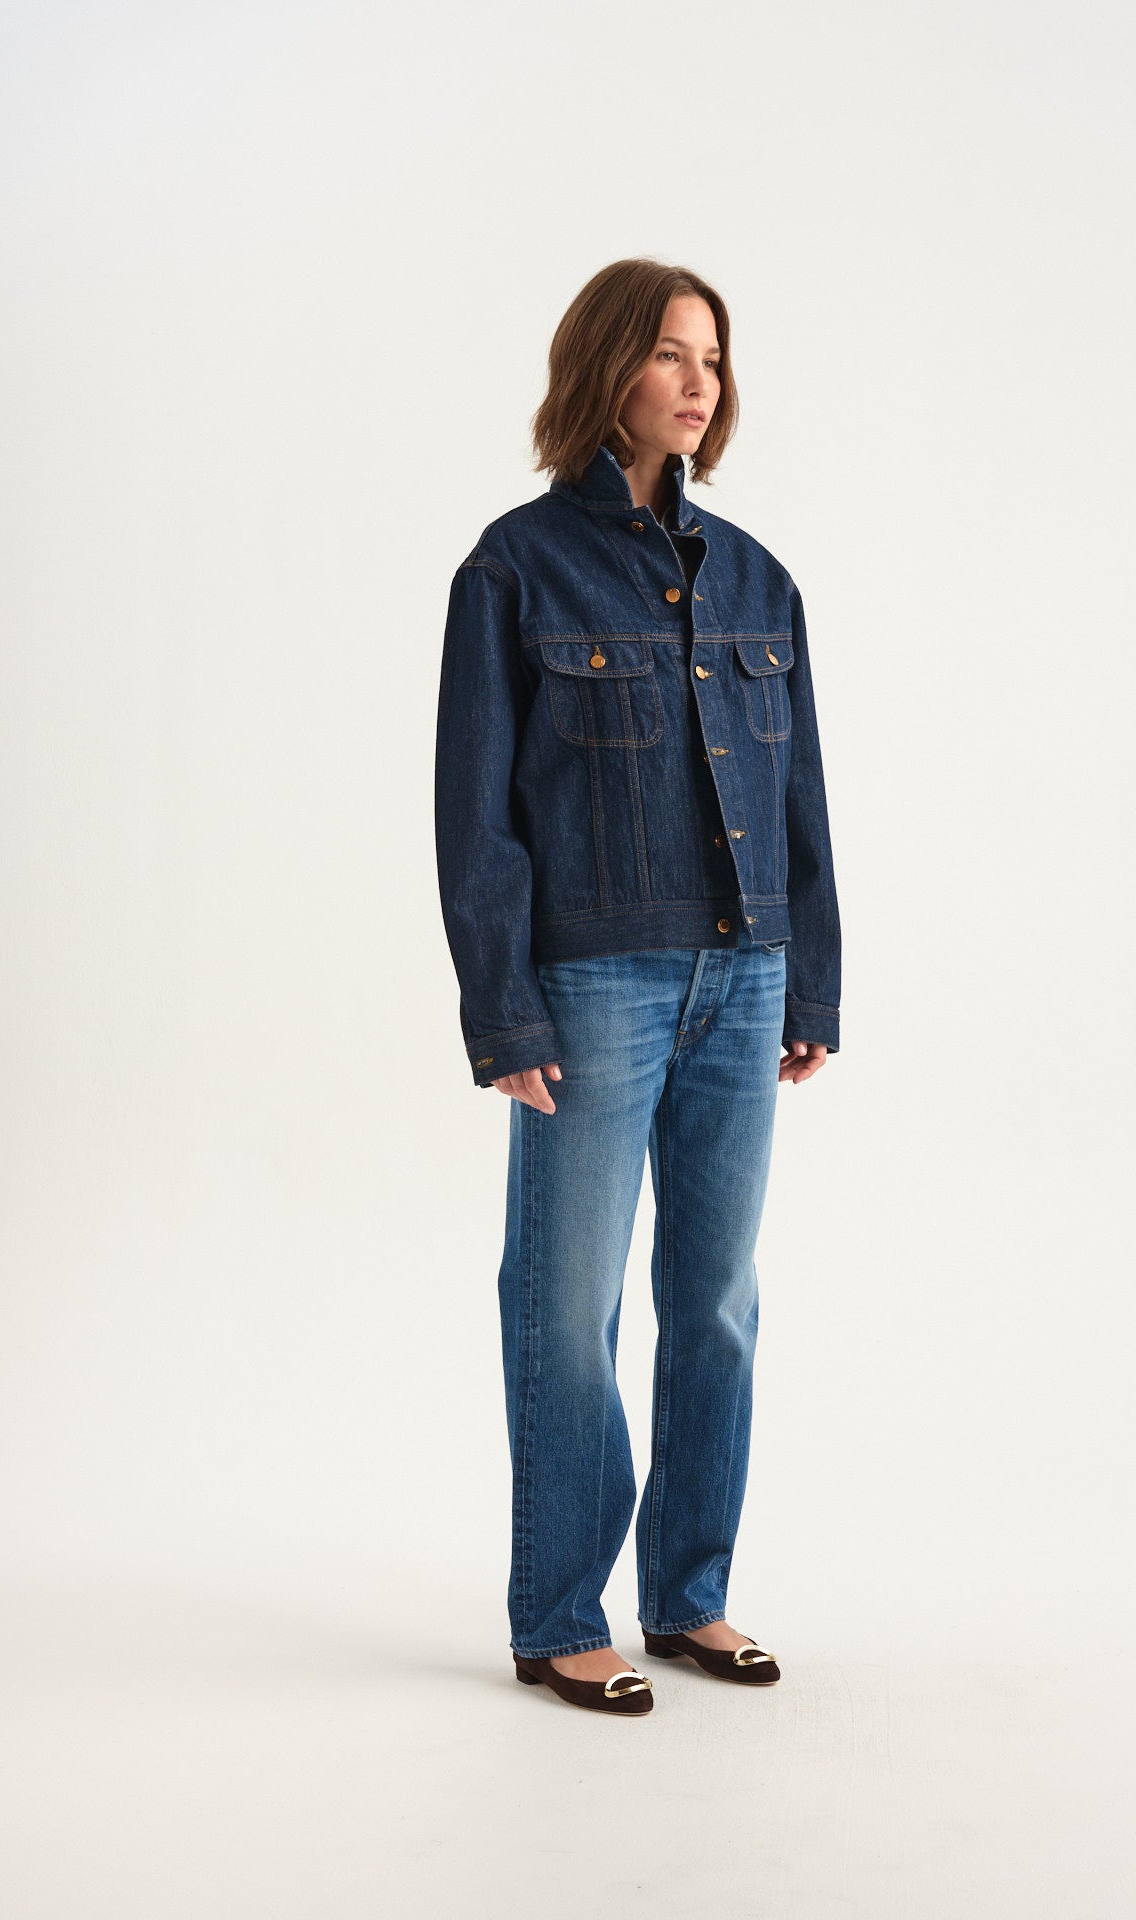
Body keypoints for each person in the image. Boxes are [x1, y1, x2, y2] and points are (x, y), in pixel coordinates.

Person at [434, 258, 842, 1716]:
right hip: (593, 983)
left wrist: (811, 983)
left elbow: (801, 799)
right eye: (671, 353)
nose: (697, 382)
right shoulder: (515, 568)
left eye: (712, 360)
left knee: (717, 1301)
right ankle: (559, 1614)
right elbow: (475, 816)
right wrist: (504, 1009)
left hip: (746, 979)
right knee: (567, 1304)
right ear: (607, 365)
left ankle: (691, 1596)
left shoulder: (759, 579)